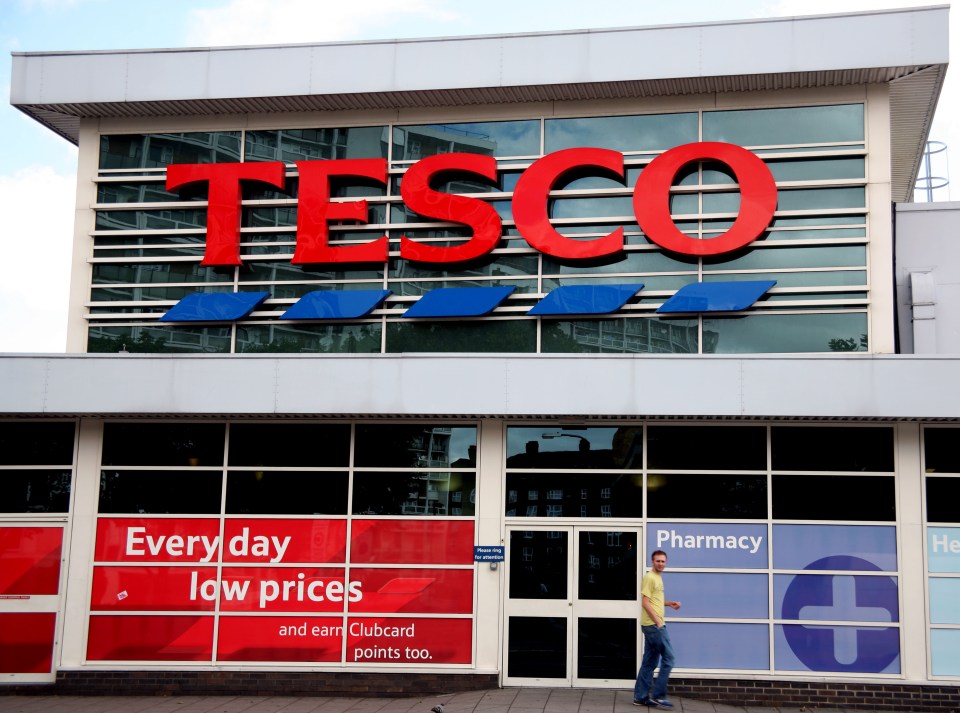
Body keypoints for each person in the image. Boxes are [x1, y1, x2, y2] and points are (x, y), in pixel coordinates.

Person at [633, 549, 680, 709]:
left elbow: (654, 600)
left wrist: (669, 603)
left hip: (651, 625)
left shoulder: (658, 578)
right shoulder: (650, 578)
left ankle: (640, 697)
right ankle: (659, 695)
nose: (660, 564)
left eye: (663, 561)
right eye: (658, 561)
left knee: (649, 663)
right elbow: (645, 602)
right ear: (652, 561)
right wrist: (658, 622)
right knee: (669, 658)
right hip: (654, 626)